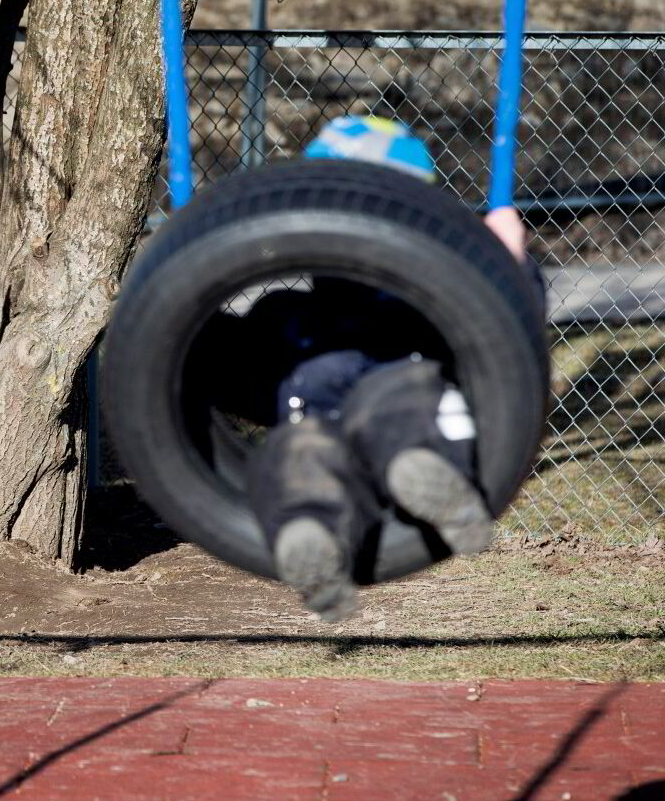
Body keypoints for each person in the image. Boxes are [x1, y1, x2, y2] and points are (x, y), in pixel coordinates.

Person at [195, 116, 539, 621]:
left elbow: (506, 331)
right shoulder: (294, 316)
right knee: (329, 443)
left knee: (315, 448)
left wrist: (507, 261)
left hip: (343, 398)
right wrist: (178, 306)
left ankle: (378, 494)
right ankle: (319, 536)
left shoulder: (427, 295)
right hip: (359, 397)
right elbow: (223, 359)